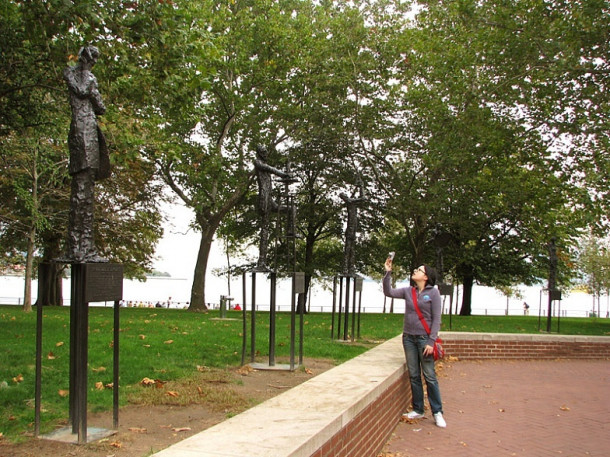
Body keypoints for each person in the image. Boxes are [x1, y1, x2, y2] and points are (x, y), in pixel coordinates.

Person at [382, 258, 446, 428]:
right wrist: (388, 272)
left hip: (425, 339)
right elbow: (389, 292)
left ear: (426, 277)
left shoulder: (433, 293)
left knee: (430, 376)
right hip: (409, 338)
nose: (415, 271)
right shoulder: (408, 291)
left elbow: (436, 319)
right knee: (414, 375)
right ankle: (418, 409)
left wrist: (431, 341)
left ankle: (437, 411)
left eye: (419, 270)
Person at [63, 45, 110, 263]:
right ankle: (80, 248)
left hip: (78, 132)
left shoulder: (73, 76)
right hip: (86, 134)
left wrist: (69, 76)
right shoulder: (88, 79)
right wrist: (75, 79)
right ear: (90, 61)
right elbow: (100, 106)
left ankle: (80, 246)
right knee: (83, 192)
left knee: (82, 192)